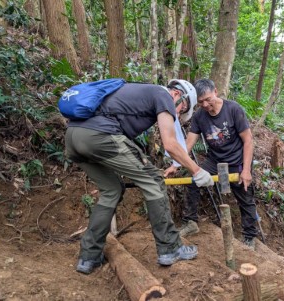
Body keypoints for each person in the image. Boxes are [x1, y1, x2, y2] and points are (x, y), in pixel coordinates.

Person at [65, 79, 214, 274]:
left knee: (112, 189)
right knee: (154, 181)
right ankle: (171, 248)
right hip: (100, 135)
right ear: (178, 95)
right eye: (182, 109)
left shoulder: (136, 92)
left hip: (73, 137)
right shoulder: (163, 95)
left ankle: (89, 257)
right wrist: (197, 170)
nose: (176, 113)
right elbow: (170, 144)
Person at [165, 79, 258, 250]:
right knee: (193, 180)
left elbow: (248, 140)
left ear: (216, 91)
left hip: (237, 160)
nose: (206, 104)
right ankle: (190, 222)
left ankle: (250, 236)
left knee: (245, 195)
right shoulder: (199, 116)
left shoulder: (233, 109)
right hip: (214, 160)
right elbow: (189, 143)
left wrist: (246, 170)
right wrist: (176, 164)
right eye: (201, 102)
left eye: (208, 99)